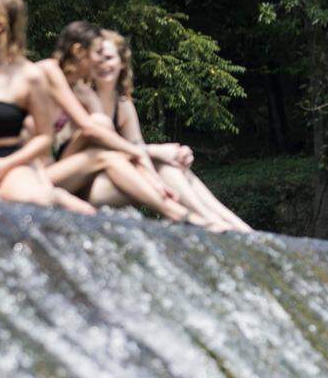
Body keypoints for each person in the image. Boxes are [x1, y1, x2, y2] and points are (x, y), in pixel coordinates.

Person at [38, 23, 210, 226]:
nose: (99, 61)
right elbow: (90, 129)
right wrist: (141, 153)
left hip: (58, 169)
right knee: (103, 142)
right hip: (35, 173)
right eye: (97, 53)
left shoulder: (82, 89)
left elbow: (105, 135)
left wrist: (149, 172)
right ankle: (179, 214)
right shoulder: (48, 70)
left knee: (109, 149)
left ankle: (208, 220)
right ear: (78, 51)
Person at [89, 29, 250, 231]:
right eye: (97, 58)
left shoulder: (122, 103)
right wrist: (158, 151)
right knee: (160, 161)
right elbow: (98, 153)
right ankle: (208, 221)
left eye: (108, 58)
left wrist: (171, 158)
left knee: (171, 164)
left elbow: (137, 149)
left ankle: (237, 227)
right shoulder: (83, 98)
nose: (102, 64)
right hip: (92, 187)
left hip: (119, 180)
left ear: (122, 63)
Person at [0, 0, 93, 212]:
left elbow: (44, 137)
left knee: (34, 202)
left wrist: (6, 165)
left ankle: (53, 196)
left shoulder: (30, 76)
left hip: (6, 159)